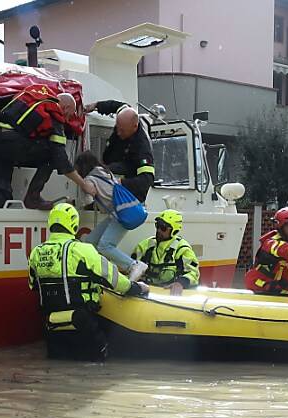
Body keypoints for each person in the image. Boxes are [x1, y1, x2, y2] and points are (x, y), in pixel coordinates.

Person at [0, 87, 96, 233]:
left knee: (2, 195)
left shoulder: (27, 100)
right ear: (66, 107)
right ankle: (33, 197)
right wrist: (83, 184)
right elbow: (61, 160)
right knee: (52, 153)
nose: (67, 119)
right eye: (69, 115)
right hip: (11, 143)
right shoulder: (54, 113)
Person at [28, 203, 149, 361]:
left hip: (51, 325)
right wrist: (135, 288)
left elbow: (33, 285)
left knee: (59, 364)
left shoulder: (36, 253)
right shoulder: (82, 250)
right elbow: (114, 279)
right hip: (81, 322)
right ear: (73, 224)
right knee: (96, 363)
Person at [74, 151, 147, 281]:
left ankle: (133, 265)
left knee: (105, 245)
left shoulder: (89, 179)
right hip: (120, 212)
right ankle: (97, 270)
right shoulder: (106, 172)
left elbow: (88, 201)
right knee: (90, 242)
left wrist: (80, 189)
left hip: (120, 214)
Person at [84, 100, 156, 202]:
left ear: (134, 127)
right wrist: (97, 105)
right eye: (117, 128)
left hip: (126, 185)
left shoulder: (142, 148)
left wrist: (121, 183)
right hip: (111, 163)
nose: (118, 133)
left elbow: (147, 179)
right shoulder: (126, 115)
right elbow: (116, 106)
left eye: (122, 130)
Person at [131, 210, 200, 295]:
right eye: (157, 225)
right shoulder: (144, 246)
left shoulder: (182, 249)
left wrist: (180, 283)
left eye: (163, 228)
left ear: (174, 231)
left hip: (168, 293)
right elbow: (131, 268)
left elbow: (193, 273)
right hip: (145, 291)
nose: (159, 230)